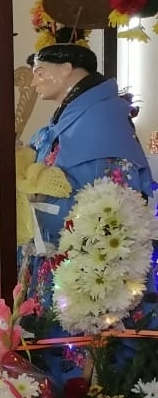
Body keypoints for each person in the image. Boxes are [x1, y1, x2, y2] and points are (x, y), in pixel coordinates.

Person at [25, 43, 153, 248]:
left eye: (40, 73)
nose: (33, 83)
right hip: (56, 243)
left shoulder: (100, 119)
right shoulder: (68, 117)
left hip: (91, 254)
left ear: (66, 69)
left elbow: (104, 202)